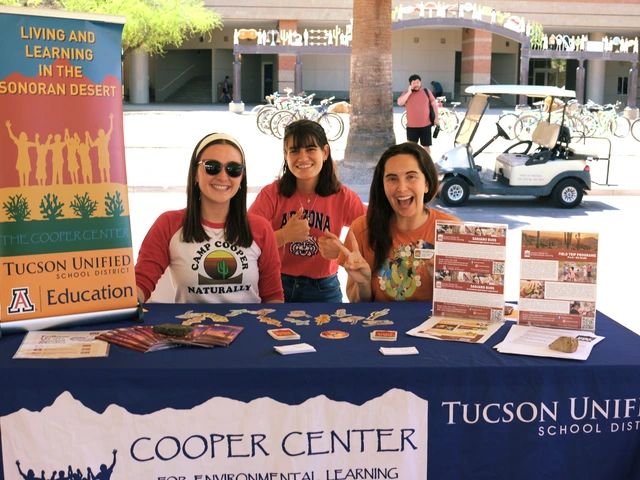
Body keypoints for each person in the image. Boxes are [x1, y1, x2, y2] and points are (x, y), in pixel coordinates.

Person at [135, 132, 284, 304]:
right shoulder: (168, 224)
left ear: (242, 177)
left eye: (234, 169)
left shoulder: (261, 228)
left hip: (249, 329)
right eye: (211, 167)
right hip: (189, 330)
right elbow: (141, 283)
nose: (222, 176)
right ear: (195, 174)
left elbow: (273, 297)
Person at [248, 119, 366, 302]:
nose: (302, 158)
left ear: (325, 152)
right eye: (294, 151)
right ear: (285, 154)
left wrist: (342, 252)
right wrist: (283, 235)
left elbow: (373, 231)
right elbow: (245, 241)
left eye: (310, 149)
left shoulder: (344, 197)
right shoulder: (272, 194)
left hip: (324, 288)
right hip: (277, 282)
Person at [329, 142, 460, 302]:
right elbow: (358, 305)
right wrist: (363, 284)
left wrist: (441, 282)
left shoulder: (453, 230)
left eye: (411, 177)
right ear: (382, 186)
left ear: (426, 184)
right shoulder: (362, 229)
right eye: (392, 179)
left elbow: (461, 308)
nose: (402, 187)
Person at [397, 74, 440, 155]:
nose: (416, 84)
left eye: (417, 82)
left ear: (420, 82)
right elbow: (399, 102)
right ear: (410, 84)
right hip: (411, 127)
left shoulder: (426, 92)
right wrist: (409, 92)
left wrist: (436, 118)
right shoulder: (406, 93)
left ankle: (427, 164)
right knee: (411, 148)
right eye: (413, 83)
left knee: (426, 147)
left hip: (426, 126)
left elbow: (434, 104)